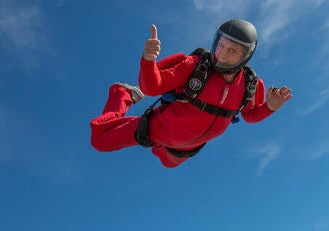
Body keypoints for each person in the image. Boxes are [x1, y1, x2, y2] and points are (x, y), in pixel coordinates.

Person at [90, 19, 293, 168]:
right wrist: (148, 60)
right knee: (99, 140)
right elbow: (152, 87)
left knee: (169, 164)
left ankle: (163, 147)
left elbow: (249, 116)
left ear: (245, 56)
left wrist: (270, 107)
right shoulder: (195, 66)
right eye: (221, 45)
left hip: (185, 148)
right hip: (157, 129)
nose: (222, 54)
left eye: (232, 51)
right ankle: (123, 93)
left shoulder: (251, 84)